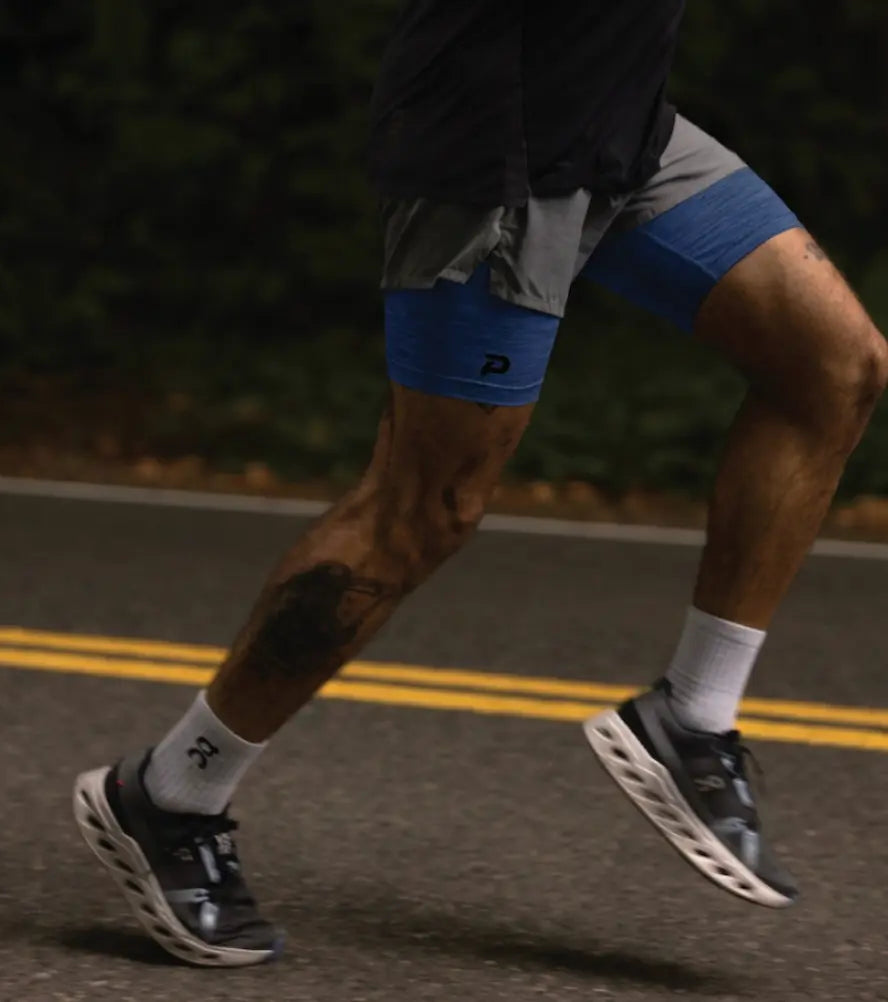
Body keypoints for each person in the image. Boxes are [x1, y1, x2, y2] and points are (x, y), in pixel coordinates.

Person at [73, 0, 888, 966]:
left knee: (834, 366)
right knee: (422, 510)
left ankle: (692, 716)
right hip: (498, 148)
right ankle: (171, 793)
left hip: (623, 126)